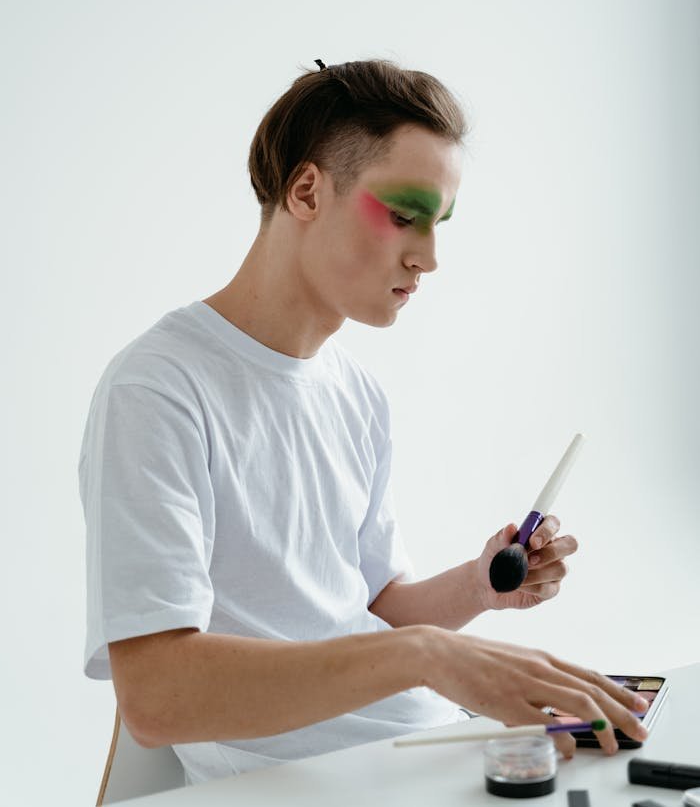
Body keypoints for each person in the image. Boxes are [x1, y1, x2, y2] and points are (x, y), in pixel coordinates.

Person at [79, 58, 649, 786]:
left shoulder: (355, 392)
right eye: (405, 215)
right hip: (312, 780)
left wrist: (480, 588)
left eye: (439, 225)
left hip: (423, 749)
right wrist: (428, 658)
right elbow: (159, 697)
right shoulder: (158, 391)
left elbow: (376, 607)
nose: (431, 257)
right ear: (308, 190)